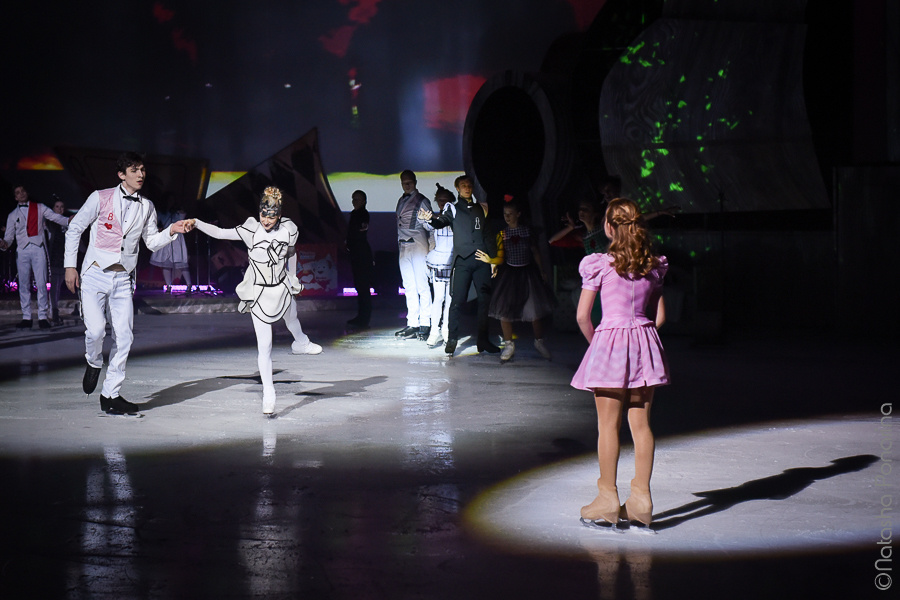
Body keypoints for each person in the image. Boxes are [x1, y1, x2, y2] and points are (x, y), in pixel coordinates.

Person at [64, 152, 193, 416]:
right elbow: (75, 228)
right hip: (94, 274)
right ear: (122, 174)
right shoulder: (100, 197)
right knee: (97, 331)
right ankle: (93, 361)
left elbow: (152, 242)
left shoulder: (147, 206)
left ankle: (111, 393)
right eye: (135, 170)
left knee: (124, 337)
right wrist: (70, 266)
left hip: (123, 278)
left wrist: (172, 231)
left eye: (143, 169)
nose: (141, 174)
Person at [571, 198, 669, 528]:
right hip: (643, 345)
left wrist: (599, 345)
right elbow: (660, 317)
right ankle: (641, 500)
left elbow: (583, 316)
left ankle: (607, 498)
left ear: (609, 227)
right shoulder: (653, 265)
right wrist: (638, 339)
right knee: (641, 428)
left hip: (610, 344)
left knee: (608, 426)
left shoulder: (598, 264)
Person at [188, 186, 323, 416]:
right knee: (265, 346)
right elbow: (221, 233)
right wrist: (197, 223)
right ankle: (269, 392)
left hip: (281, 286)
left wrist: (292, 277)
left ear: (279, 215)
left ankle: (301, 342)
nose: (266, 220)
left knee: (292, 317)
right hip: (259, 293)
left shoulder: (288, 230)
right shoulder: (251, 230)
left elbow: (292, 253)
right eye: (263, 214)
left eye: (271, 216)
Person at [418, 175, 500, 356]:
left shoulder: (482, 208)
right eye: (463, 185)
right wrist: (430, 219)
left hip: (481, 259)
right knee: (456, 301)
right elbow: (441, 222)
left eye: (469, 185)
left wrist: (493, 260)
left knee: (484, 300)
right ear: (457, 188)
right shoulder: (453, 209)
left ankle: (483, 339)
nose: (467, 188)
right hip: (462, 260)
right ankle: (452, 338)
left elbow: (488, 235)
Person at [483, 197, 556, 362]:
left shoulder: (526, 231)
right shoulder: (502, 233)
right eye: (505, 214)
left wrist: (541, 270)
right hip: (509, 274)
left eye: (510, 213)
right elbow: (499, 254)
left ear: (518, 214)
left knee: (534, 311)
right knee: (504, 311)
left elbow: (535, 252)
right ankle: (509, 344)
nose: (507, 217)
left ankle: (539, 342)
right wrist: (494, 266)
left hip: (527, 272)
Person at [1, 186, 71, 329]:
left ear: (27, 193)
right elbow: (8, 238)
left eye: (23, 191)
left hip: (38, 248)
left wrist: (69, 220)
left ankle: (43, 316)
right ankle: (26, 317)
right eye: (18, 193)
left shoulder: (39, 207)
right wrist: (4, 244)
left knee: (41, 283)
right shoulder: (12, 215)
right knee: (24, 284)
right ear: (15, 197)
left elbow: (55, 217)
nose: (21, 194)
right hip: (22, 250)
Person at [395, 170, 432, 340]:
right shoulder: (401, 200)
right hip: (404, 247)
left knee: (422, 286)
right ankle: (413, 323)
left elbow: (430, 227)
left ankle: (425, 323)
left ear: (415, 182)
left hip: (418, 245)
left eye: (410, 182)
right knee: (409, 286)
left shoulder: (422, 200)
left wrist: (432, 251)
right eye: (404, 182)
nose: (407, 185)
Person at [422, 184, 455, 348]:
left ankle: (446, 330)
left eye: (445, 200)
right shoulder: (435, 220)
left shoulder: (456, 219)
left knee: (450, 300)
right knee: (438, 298)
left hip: (452, 261)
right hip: (438, 261)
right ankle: (434, 331)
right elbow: (428, 225)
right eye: (440, 200)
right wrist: (426, 218)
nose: (442, 203)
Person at [346, 189, 374, 329]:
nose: (354, 201)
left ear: (363, 201)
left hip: (362, 254)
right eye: (353, 199)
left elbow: (358, 232)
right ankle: (361, 316)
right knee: (359, 286)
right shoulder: (355, 214)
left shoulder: (362, 214)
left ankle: (364, 318)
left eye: (357, 199)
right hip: (356, 254)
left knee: (363, 286)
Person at [149, 204, 193, 294]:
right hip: (166, 236)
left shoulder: (177, 213)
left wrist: (178, 210)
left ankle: (189, 285)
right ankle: (168, 286)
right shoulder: (162, 213)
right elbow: (156, 223)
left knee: (181, 263)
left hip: (177, 238)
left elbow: (183, 218)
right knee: (166, 263)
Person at [45, 196, 68, 325]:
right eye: (57, 207)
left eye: (61, 207)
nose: (59, 209)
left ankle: (54, 311)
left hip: (64, 260)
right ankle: (53, 312)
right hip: (53, 259)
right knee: (54, 287)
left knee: (58, 287)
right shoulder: (49, 223)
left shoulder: (66, 223)